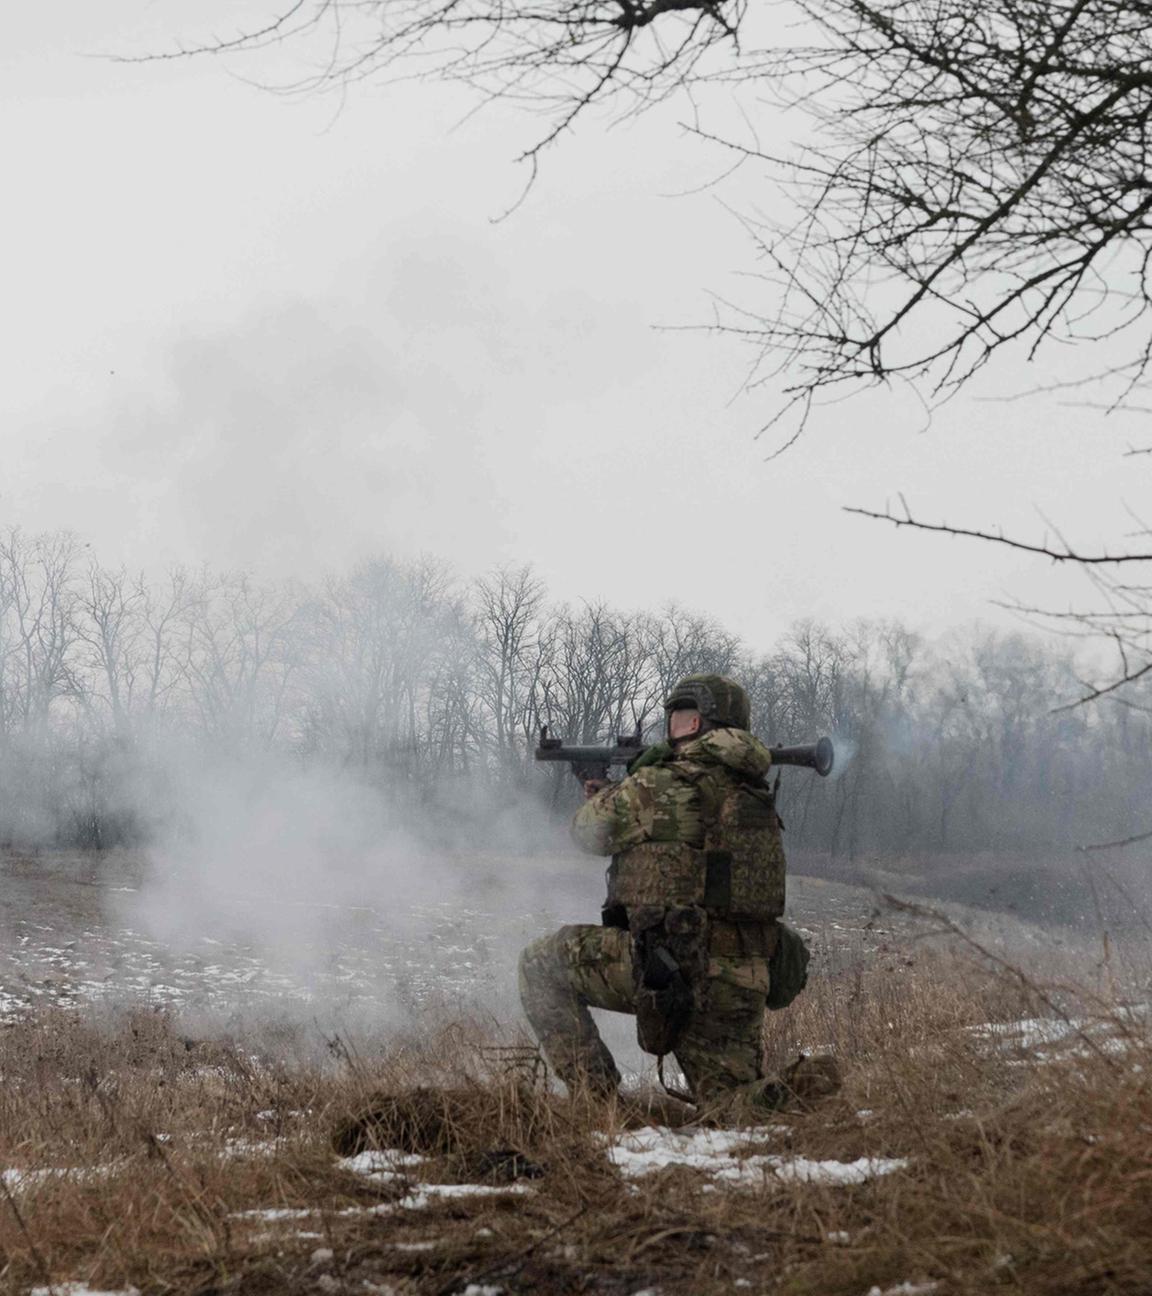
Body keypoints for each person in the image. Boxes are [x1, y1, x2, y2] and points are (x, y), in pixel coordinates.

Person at [519, 674, 834, 1117]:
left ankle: (597, 1106)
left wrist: (601, 794)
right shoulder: (750, 792)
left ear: (697, 724)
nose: (672, 727)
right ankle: (804, 1087)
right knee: (729, 1107)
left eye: (682, 718)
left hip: (674, 970)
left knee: (540, 964)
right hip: (744, 974)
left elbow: (587, 833)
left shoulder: (658, 783)